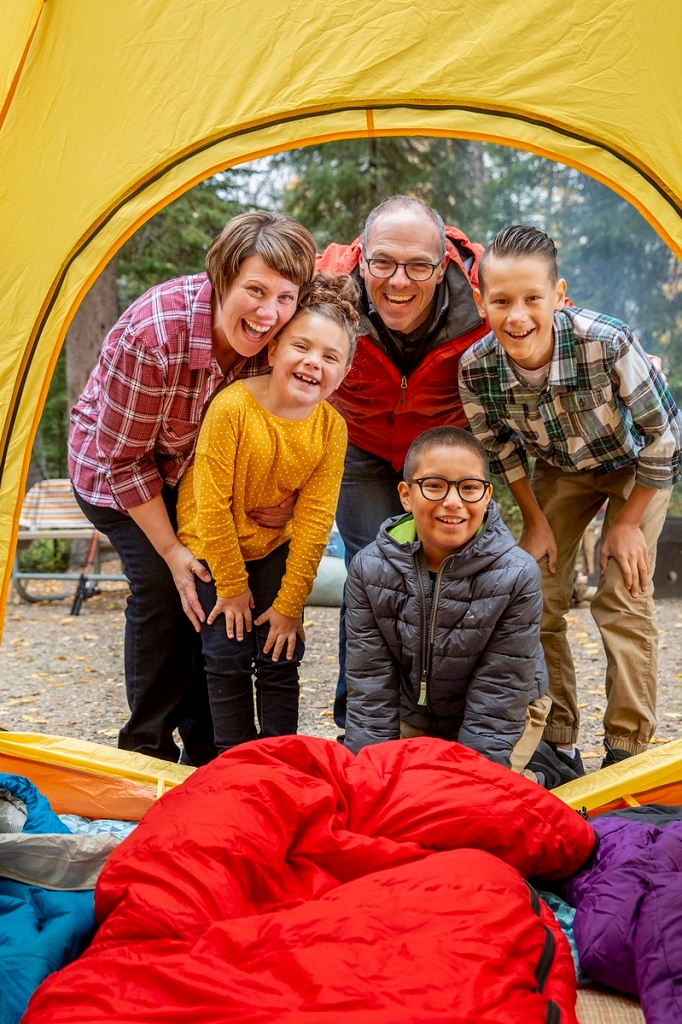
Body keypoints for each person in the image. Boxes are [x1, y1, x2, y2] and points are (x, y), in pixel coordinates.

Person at [68, 211, 317, 765]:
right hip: (118, 474)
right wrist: (173, 551)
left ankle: (206, 749)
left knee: (212, 589)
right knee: (166, 587)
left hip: (200, 481)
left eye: (285, 297)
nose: (269, 313)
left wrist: (290, 500)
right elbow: (124, 462)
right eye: (255, 291)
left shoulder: (280, 339)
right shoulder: (154, 336)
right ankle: (145, 749)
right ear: (223, 278)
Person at [458, 225, 682, 771]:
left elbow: (666, 436)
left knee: (622, 592)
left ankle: (626, 747)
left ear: (558, 295)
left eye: (532, 299)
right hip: (561, 471)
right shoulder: (476, 368)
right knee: (535, 592)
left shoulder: (608, 342)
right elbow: (501, 451)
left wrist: (625, 525)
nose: (517, 316)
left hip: (635, 468)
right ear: (481, 302)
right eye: (501, 301)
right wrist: (534, 521)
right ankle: (558, 742)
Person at [316, 195, 489, 729]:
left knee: (453, 575)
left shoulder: (483, 292)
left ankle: (440, 717)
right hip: (363, 444)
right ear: (361, 255)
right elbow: (258, 298)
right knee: (371, 572)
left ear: (441, 266)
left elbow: (547, 310)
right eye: (384, 263)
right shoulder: (323, 283)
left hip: (443, 449)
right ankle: (361, 719)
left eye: (417, 266)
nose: (398, 281)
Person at [175, 274, 358, 751]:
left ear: (343, 373)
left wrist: (290, 605)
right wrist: (232, 588)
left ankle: (280, 757)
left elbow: (315, 522)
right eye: (302, 346)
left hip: (273, 543)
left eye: (331, 357)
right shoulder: (233, 407)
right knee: (227, 653)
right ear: (273, 350)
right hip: (213, 545)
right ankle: (234, 759)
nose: (313, 362)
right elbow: (211, 506)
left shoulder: (331, 428)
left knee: (282, 651)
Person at [344, 425, 549, 773]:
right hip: (414, 712)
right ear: (406, 495)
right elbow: (370, 683)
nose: (453, 501)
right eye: (434, 485)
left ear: (487, 496)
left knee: (471, 800)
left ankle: (541, 770)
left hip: (502, 715)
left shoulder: (517, 574)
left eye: (469, 488)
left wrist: (472, 778)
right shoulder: (369, 568)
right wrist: (368, 775)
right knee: (390, 790)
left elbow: (500, 690)